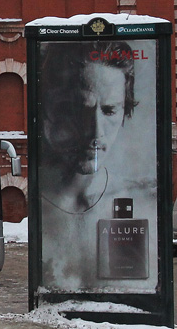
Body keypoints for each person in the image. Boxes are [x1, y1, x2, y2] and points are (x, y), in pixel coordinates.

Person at [37, 39, 155, 292]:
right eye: (81, 110)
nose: (96, 131)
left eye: (110, 110)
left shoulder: (143, 200)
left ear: (125, 112)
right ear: (51, 111)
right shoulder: (37, 200)